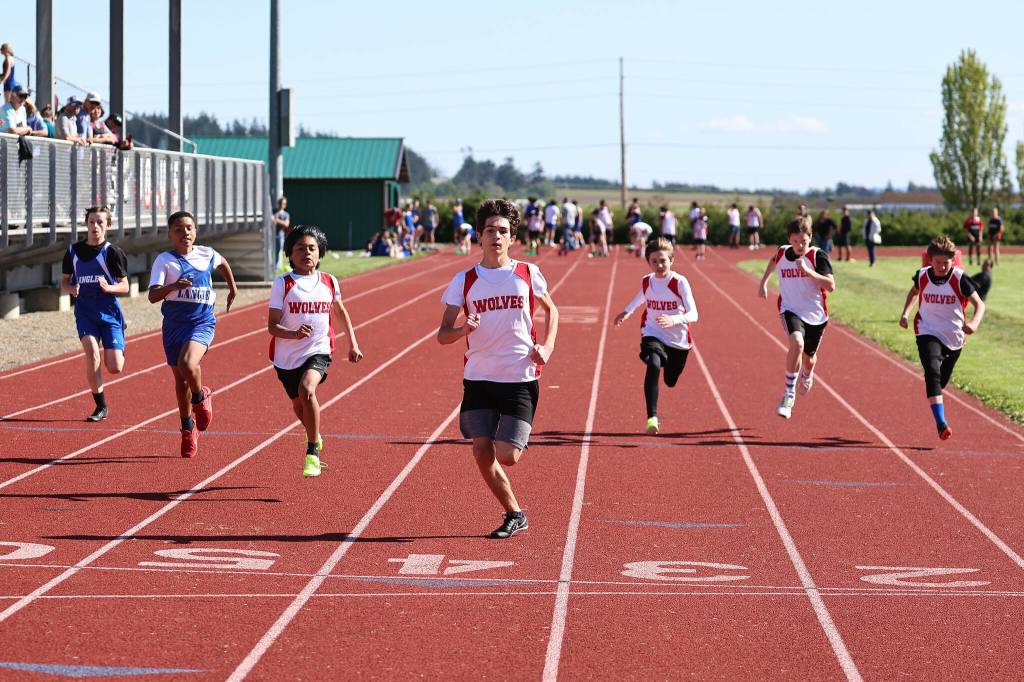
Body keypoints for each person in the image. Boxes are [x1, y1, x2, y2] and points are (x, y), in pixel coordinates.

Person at [437, 198, 559, 539]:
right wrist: (462, 329)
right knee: (481, 449)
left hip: (520, 376)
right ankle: (514, 512)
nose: (496, 236)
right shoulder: (464, 281)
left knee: (507, 456)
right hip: (478, 377)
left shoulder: (527, 273)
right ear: (479, 236)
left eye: (503, 231)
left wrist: (547, 346)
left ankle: (516, 441)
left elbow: (553, 311)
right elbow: (442, 335)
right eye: (490, 230)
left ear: (512, 238)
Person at [268, 224, 363, 477]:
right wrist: (293, 334)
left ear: (320, 254)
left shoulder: (329, 281)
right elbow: (272, 326)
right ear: (290, 254)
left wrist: (352, 343)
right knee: (299, 406)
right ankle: (315, 433)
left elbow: (340, 312)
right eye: (300, 248)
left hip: (319, 349)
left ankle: (312, 452)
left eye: (312, 248)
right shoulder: (283, 284)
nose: (306, 253)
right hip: (286, 356)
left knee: (307, 390)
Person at [148, 211, 238, 459]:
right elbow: (153, 296)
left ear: (195, 231)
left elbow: (222, 263)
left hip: (202, 322)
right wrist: (173, 287)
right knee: (180, 381)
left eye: (189, 228)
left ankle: (201, 397)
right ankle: (188, 428)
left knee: (188, 363)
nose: (184, 232)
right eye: (178, 229)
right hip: (174, 325)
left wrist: (232, 287)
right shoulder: (165, 261)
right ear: (170, 234)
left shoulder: (207, 253)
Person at [899, 235, 985, 440]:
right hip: (927, 329)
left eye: (945, 263)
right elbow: (913, 293)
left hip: (954, 335)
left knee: (940, 380)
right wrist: (905, 313)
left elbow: (980, 305)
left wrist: (973, 324)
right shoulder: (922, 276)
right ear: (930, 260)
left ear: (952, 261)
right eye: (937, 263)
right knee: (932, 370)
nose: (941, 267)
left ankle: (935, 395)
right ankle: (941, 423)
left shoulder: (959, 278)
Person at [613, 237, 698, 435]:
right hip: (653, 332)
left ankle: (669, 366)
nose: (659, 265)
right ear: (648, 262)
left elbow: (694, 314)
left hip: (678, 341)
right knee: (653, 363)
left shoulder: (679, 282)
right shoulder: (647, 281)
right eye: (654, 261)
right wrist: (625, 313)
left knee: (670, 380)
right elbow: (640, 298)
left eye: (663, 261)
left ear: (671, 260)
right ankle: (652, 417)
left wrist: (675, 319)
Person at [757, 217, 836, 419]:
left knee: (809, 359)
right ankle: (789, 395)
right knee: (796, 343)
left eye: (804, 241)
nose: (800, 245)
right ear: (789, 239)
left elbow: (830, 285)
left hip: (816, 315)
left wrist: (808, 271)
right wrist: (764, 282)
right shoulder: (783, 251)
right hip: (790, 309)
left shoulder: (818, 256)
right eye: (795, 241)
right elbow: (774, 260)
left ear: (810, 238)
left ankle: (807, 374)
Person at [59, 207, 130, 422]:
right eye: (91, 222)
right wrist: (71, 289)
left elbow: (125, 285)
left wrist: (109, 288)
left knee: (115, 367)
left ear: (107, 225)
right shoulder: (73, 251)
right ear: (86, 224)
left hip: (109, 314)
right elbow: (64, 281)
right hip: (85, 313)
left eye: (100, 222)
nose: (95, 226)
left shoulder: (112, 252)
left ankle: (119, 342)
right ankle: (101, 406)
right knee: (91, 353)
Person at [273, 197, 291, 268]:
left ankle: (275, 268)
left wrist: (277, 220)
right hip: (271, 235)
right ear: (278, 203)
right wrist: (280, 221)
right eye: (280, 203)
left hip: (280, 236)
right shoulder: (274, 211)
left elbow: (286, 224)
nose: (281, 205)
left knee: (278, 251)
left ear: (285, 205)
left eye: (283, 204)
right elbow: (271, 219)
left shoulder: (286, 214)